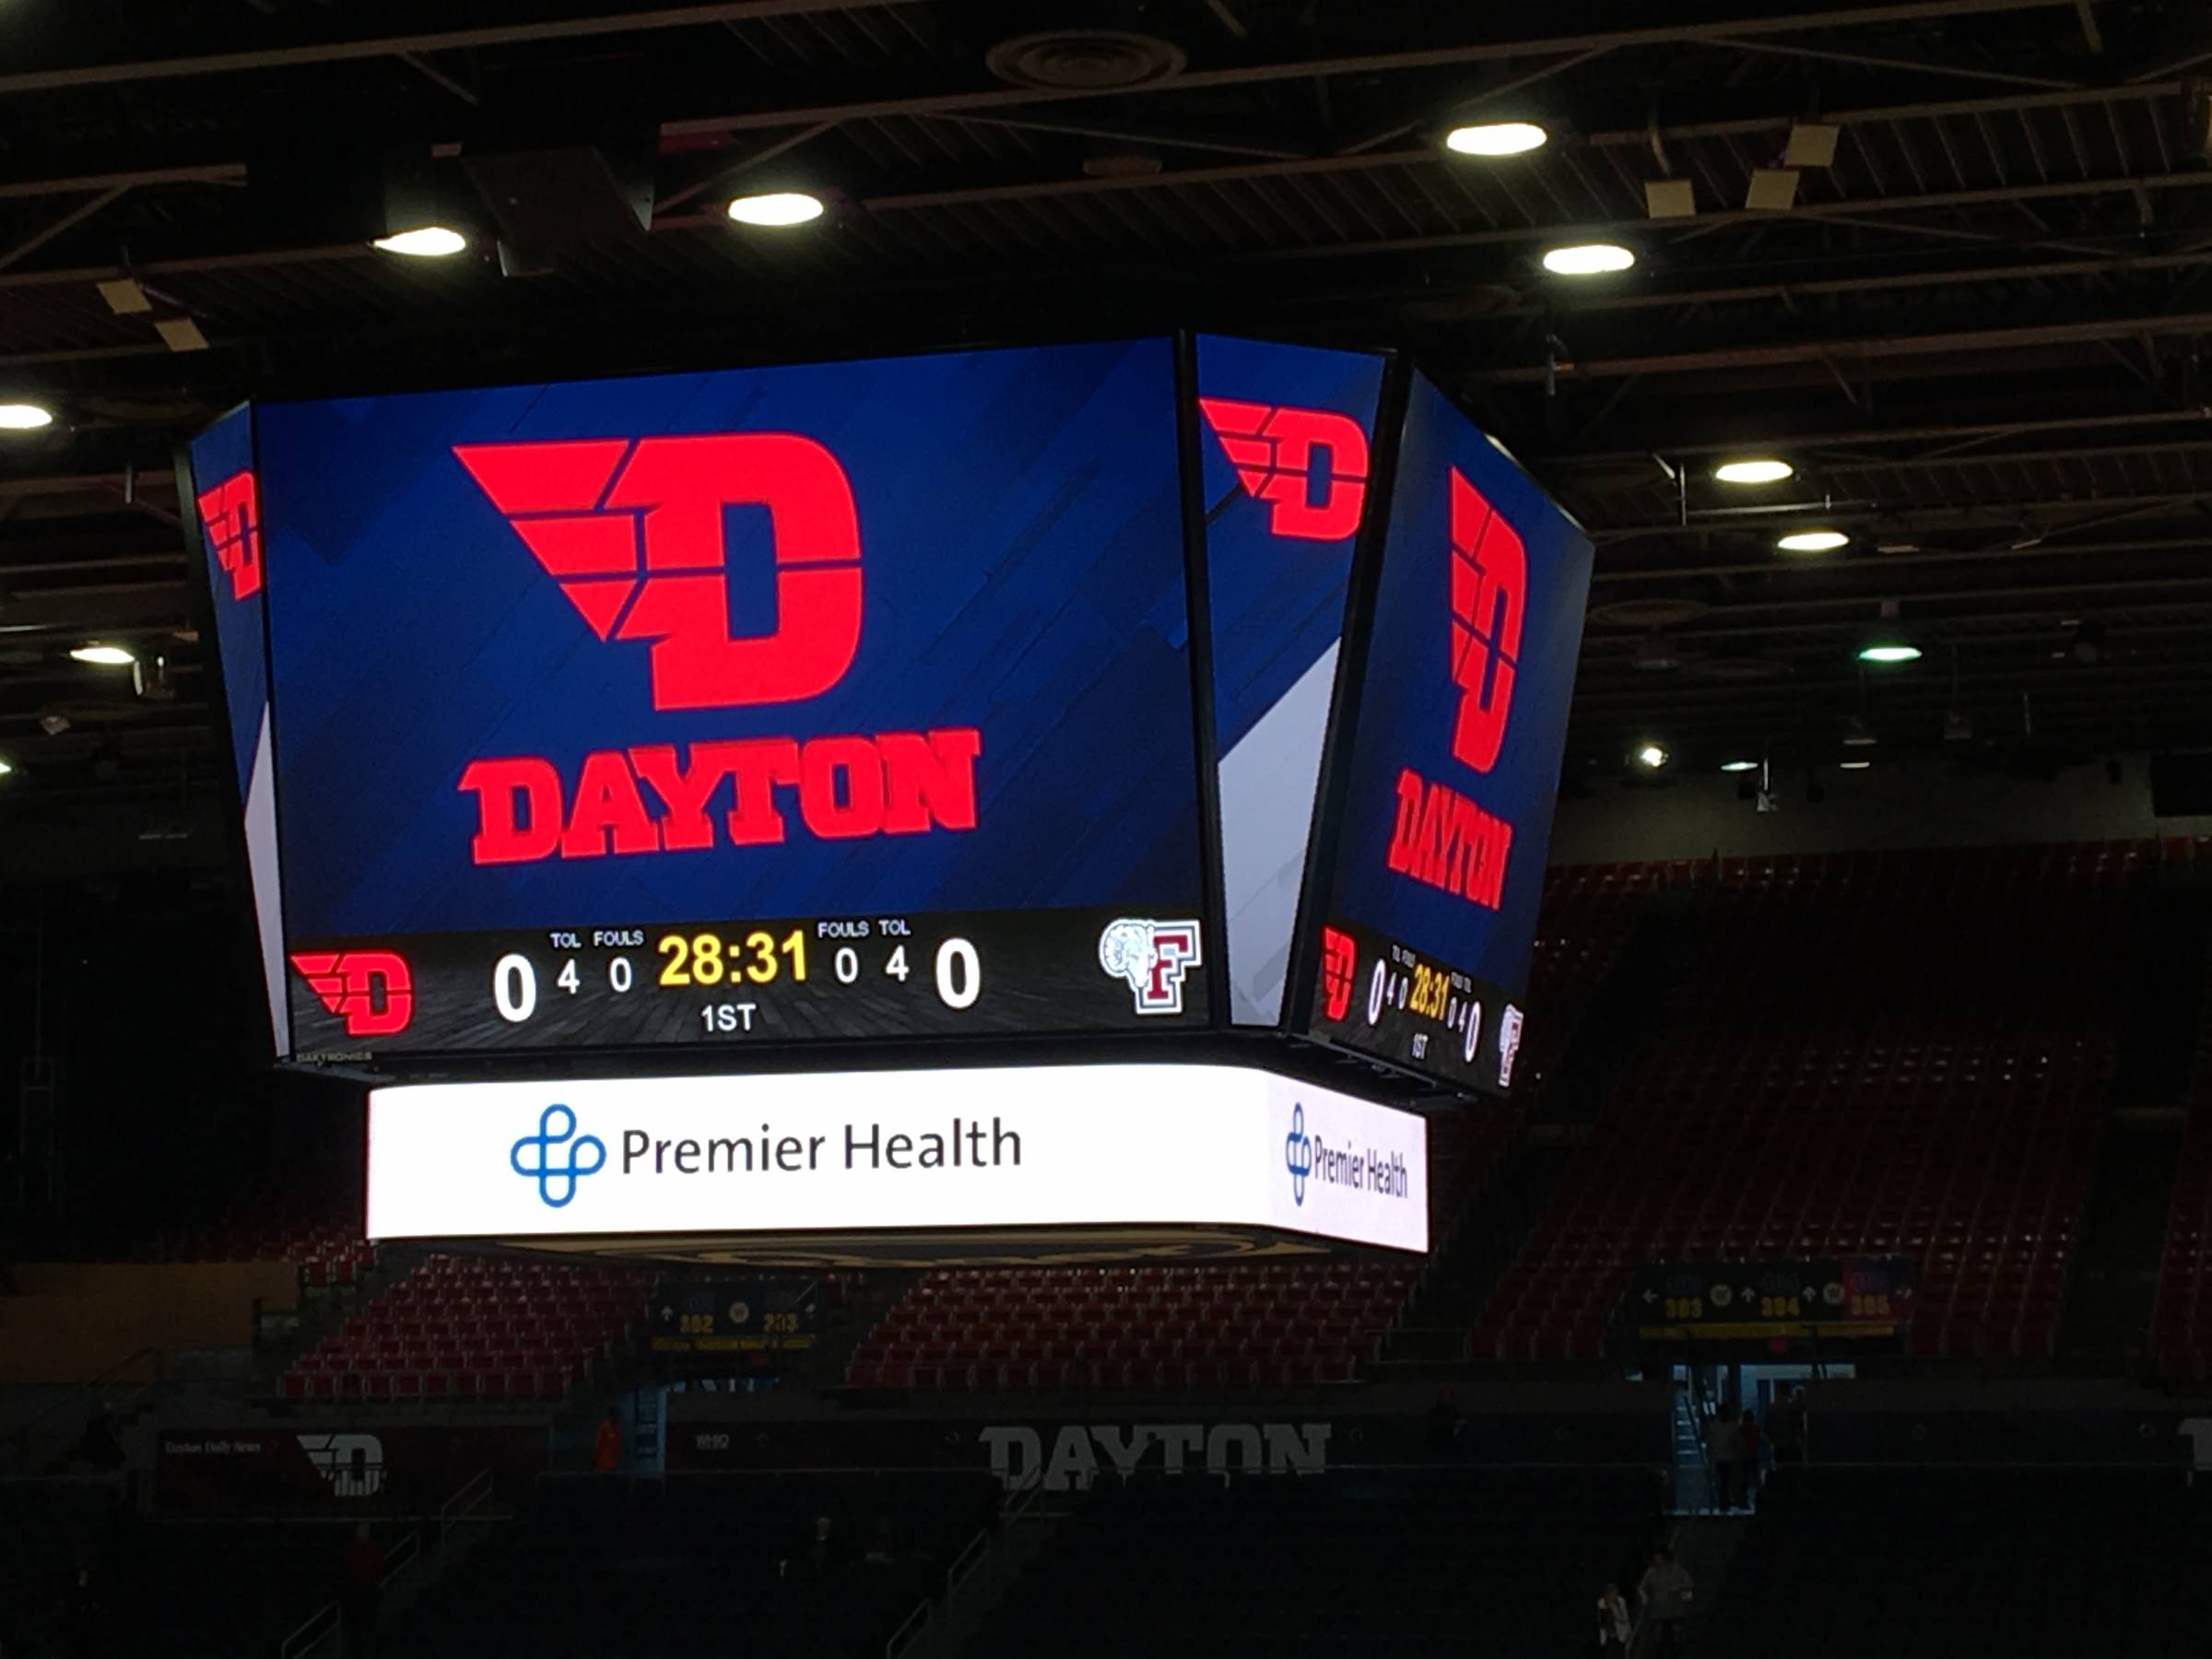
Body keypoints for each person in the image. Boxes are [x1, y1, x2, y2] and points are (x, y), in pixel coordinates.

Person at [339, 1523, 385, 1659]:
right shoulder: (352, 1549)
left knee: (365, 1626)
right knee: (358, 1627)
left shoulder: (372, 1549)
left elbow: (379, 1569)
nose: (360, 1535)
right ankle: (359, 1653)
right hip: (358, 1592)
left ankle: (366, 1652)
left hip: (365, 1591)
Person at [1637, 1548, 1694, 1654]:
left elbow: (1689, 1583)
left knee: (1677, 1639)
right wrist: (1644, 1598)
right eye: (1656, 1559)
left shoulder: (1677, 1570)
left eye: (1660, 1559)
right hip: (1658, 1612)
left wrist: (1679, 1587)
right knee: (1659, 1640)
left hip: (1675, 1610)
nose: (1658, 1561)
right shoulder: (1651, 1572)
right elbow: (1642, 1587)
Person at [1703, 1406, 1744, 1511]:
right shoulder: (1731, 1427)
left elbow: (1709, 1444)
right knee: (1724, 1482)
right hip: (1724, 1459)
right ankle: (1727, 1501)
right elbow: (1738, 1443)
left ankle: (1725, 1501)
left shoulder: (1717, 1427)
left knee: (1723, 1482)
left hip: (1725, 1459)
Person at [1767, 1386, 1806, 1485]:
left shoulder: (1772, 1407)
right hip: (1792, 1444)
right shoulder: (1793, 1407)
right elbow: (1799, 1425)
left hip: (1779, 1445)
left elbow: (1768, 1427)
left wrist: (1773, 1440)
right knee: (1794, 1473)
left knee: (1780, 1471)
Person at [1596, 1582, 1634, 1658]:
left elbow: (1625, 1619)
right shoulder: (1602, 1603)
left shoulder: (1621, 1602)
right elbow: (1603, 1622)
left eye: (1616, 1592)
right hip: (1609, 1638)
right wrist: (1606, 1610)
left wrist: (1615, 1609)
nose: (1615, 1595)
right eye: (1613, 1593)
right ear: (1608, 1594)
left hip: (1621, 1635)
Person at [1737, 1407, 1762, 1503]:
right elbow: (1757, 1442)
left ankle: (1743, 1501)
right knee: (1754, 1480)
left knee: (1745, 1480)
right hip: (1752, 1456)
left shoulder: (1741, 1429)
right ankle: (1759, 1500)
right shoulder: (1755, 1429)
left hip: (1745, 1457)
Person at [593, 1406, 621, 1474]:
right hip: (603, 1466)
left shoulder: (617, 1429)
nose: (617, 1417)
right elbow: (597, 1446)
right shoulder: (604, 1428)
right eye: (616, 1415)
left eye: (618, 1415)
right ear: (611, 1416)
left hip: (614, 1466)